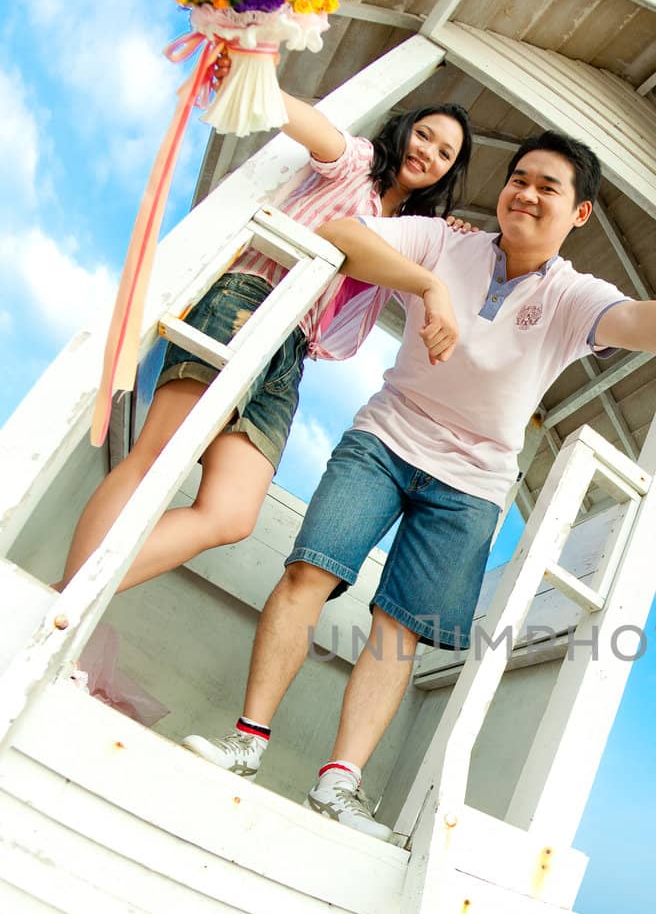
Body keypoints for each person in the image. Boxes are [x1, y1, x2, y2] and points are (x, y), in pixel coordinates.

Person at [183, 130, 656, 838]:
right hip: (386, 436)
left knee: (398, 631)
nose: (525, 193)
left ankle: (336, 787)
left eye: (548, 186)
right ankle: (247, 741)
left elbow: (648, 322)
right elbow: (341, 230)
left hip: (473, 481)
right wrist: (425, 284)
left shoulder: (575, 296)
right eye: (519, 178)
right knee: (309, 573)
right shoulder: (443, 242)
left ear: (578, 214)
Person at [58, 82, 473, 594]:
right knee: (156, 456)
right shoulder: (356, 162)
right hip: (249, 300)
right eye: (424, 135)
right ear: (404, 128)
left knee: (231, 514)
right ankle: (54, 616)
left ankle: (64, 603)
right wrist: (250, 72)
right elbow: (301, 121)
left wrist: (450, 241)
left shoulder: (408, 233)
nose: (426, 152)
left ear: (449, 172)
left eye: (443, 153)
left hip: (292, 353)